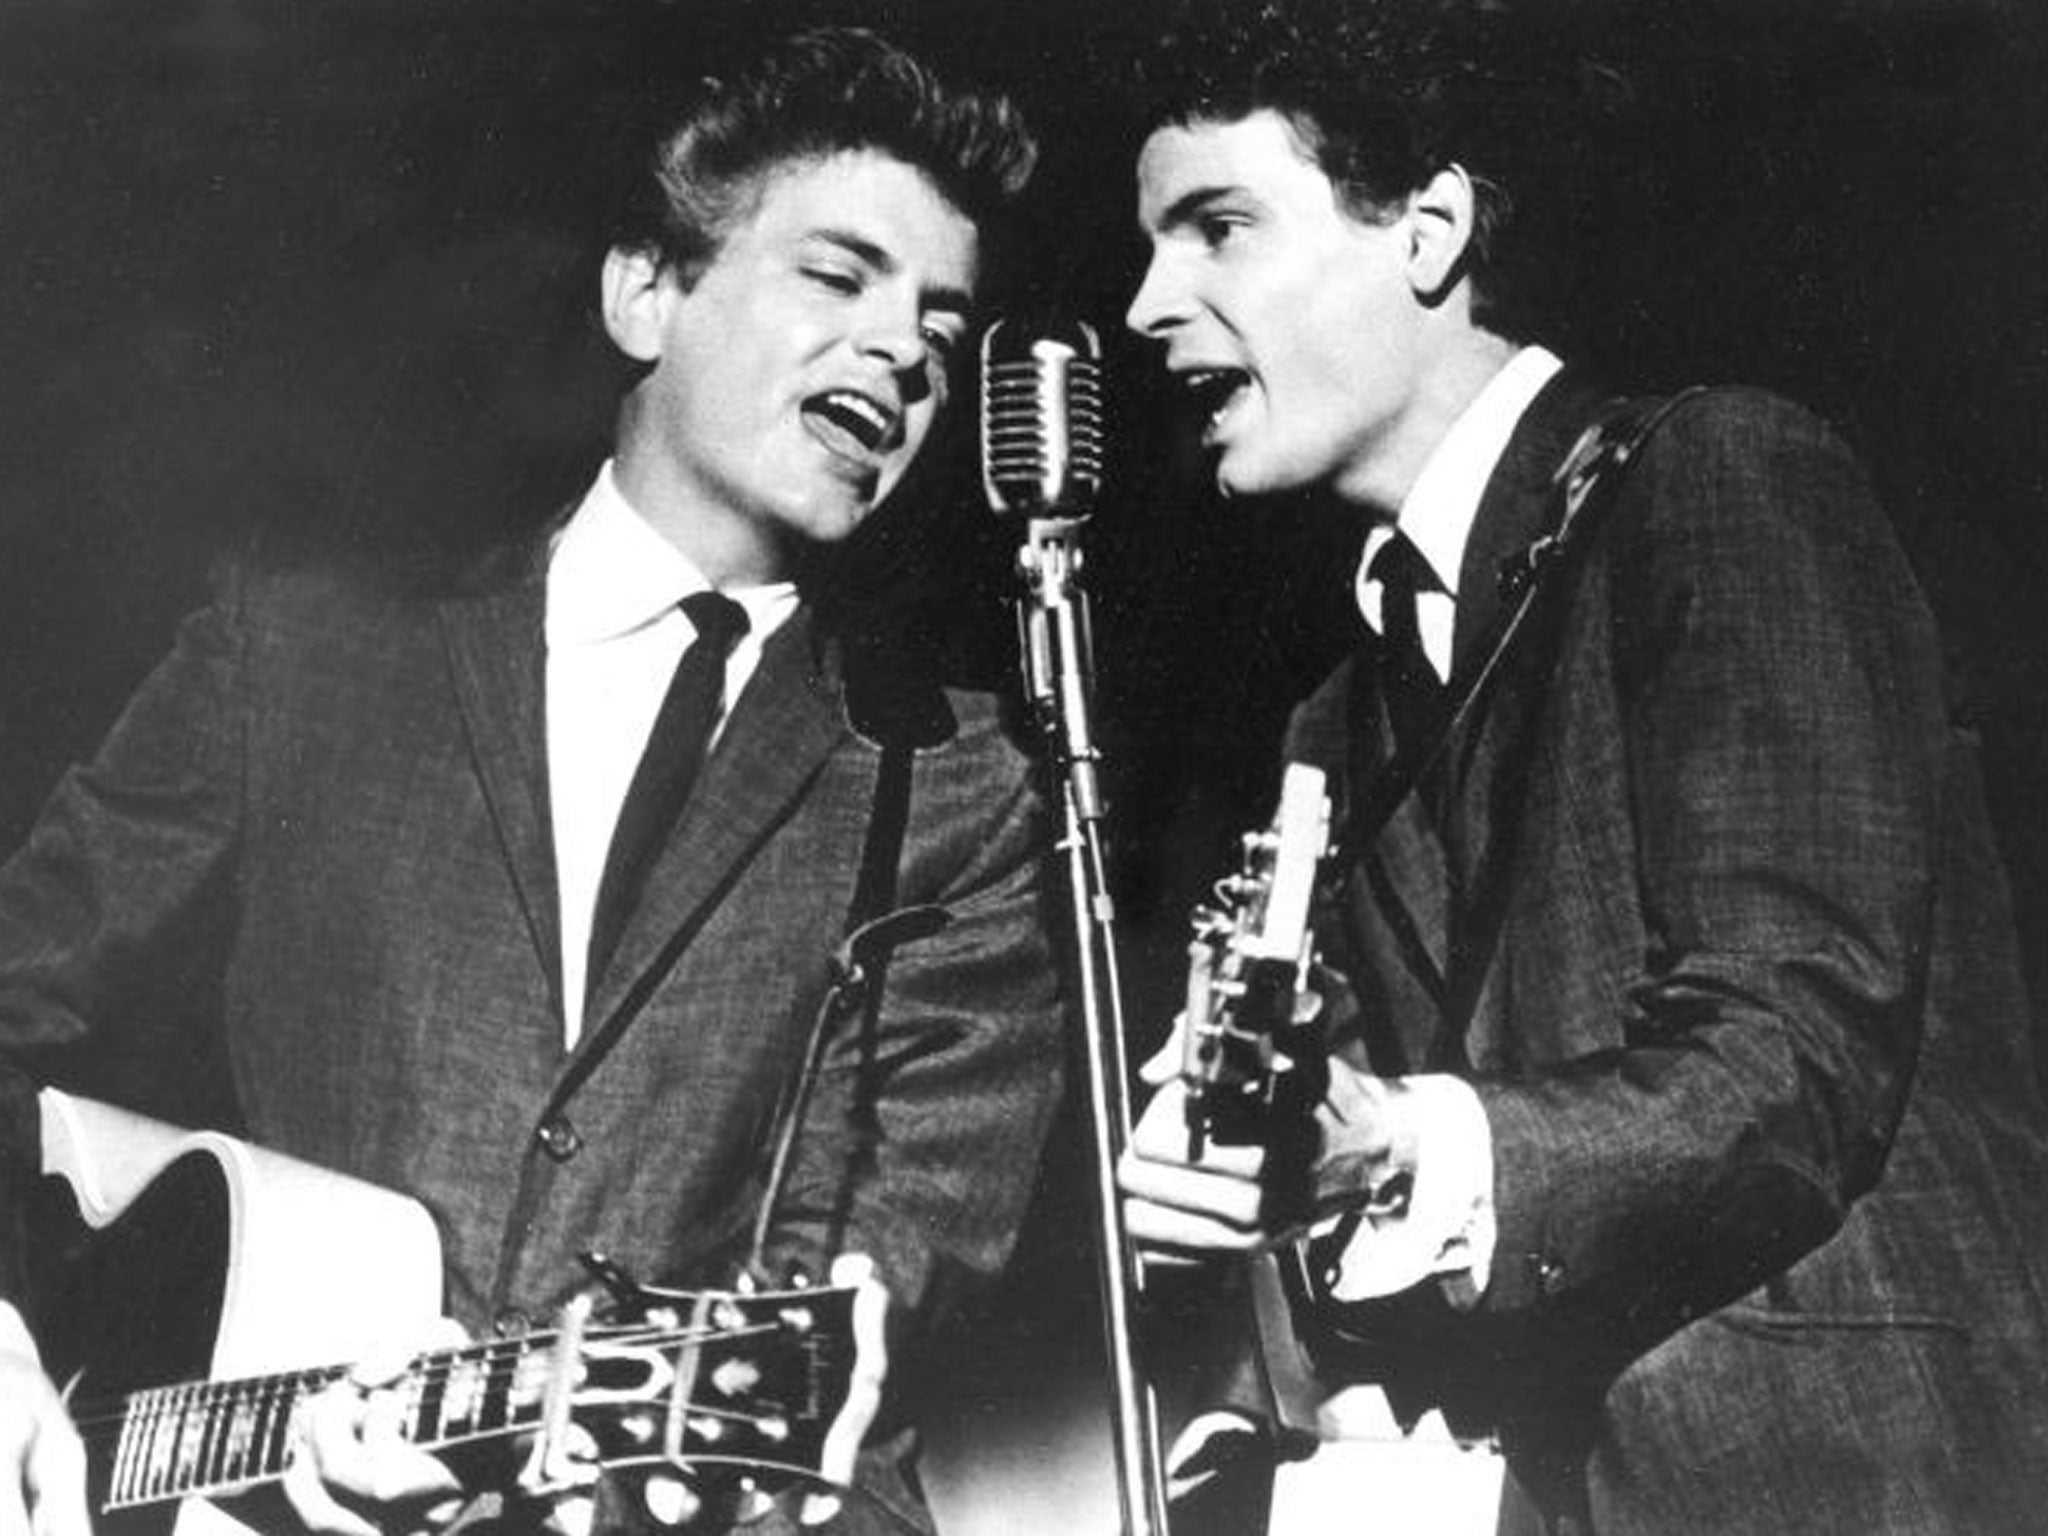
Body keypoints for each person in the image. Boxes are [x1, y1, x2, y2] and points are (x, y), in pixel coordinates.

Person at [0, 24, 1063, 1536]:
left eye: (943, 338)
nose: (902, 354)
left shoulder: (967, 790)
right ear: (646, 293)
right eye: (838, 278)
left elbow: (880, 1273)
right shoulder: (303, 641)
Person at [1112, 1, 2048, 1531]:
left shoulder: (1720, 476)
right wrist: (1274, 1206)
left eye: (1219, 227)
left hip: (1856, 1476)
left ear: (1430, 233)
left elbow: (1794, 1050)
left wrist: (1392, 1144)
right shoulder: (1327, 728)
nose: (1151, 304)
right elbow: (1393, 1176)